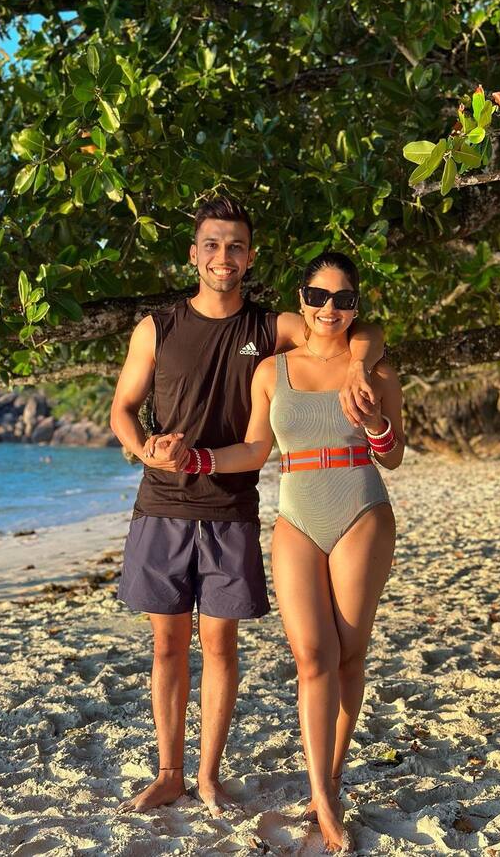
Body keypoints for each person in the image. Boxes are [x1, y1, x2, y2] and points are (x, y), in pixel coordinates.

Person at [109, 198, 385, 817]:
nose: (223, 257)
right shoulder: (157, 326)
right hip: (161, 504)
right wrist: (145, 451)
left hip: (231, 505)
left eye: (235, 246)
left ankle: (208, 776)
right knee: (165, 647)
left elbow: (347, 326)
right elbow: (122, 409)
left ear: (250, 257)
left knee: (222, 646)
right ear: (194, 253)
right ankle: (169, 772)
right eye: (212, 245)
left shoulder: (271, 327)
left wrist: (362, 362)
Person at [158, 251, 404, 852]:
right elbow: (254, 449)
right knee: (312, 656)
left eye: (344, 300)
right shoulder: (270, 371)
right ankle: (320, 794)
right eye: (318, 298)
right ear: (302, 302)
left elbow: (393, 454)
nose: (330, 310)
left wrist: (373, 420)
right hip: (295, 515)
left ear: (356, 308)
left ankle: (332, 782)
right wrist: (195, 461)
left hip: (362, 510)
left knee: (349, 654)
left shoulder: (376, 369)